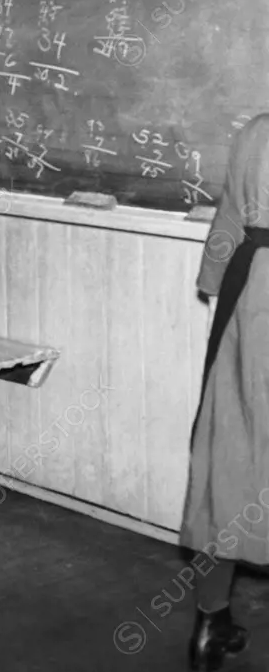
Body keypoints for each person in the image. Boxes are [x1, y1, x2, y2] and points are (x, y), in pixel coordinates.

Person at [179, 115, 269, 669]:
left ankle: (211, 624)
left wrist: (214, 287)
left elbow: (230, 218)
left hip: (249, 294)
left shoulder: (258, 130)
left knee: (229, 458)